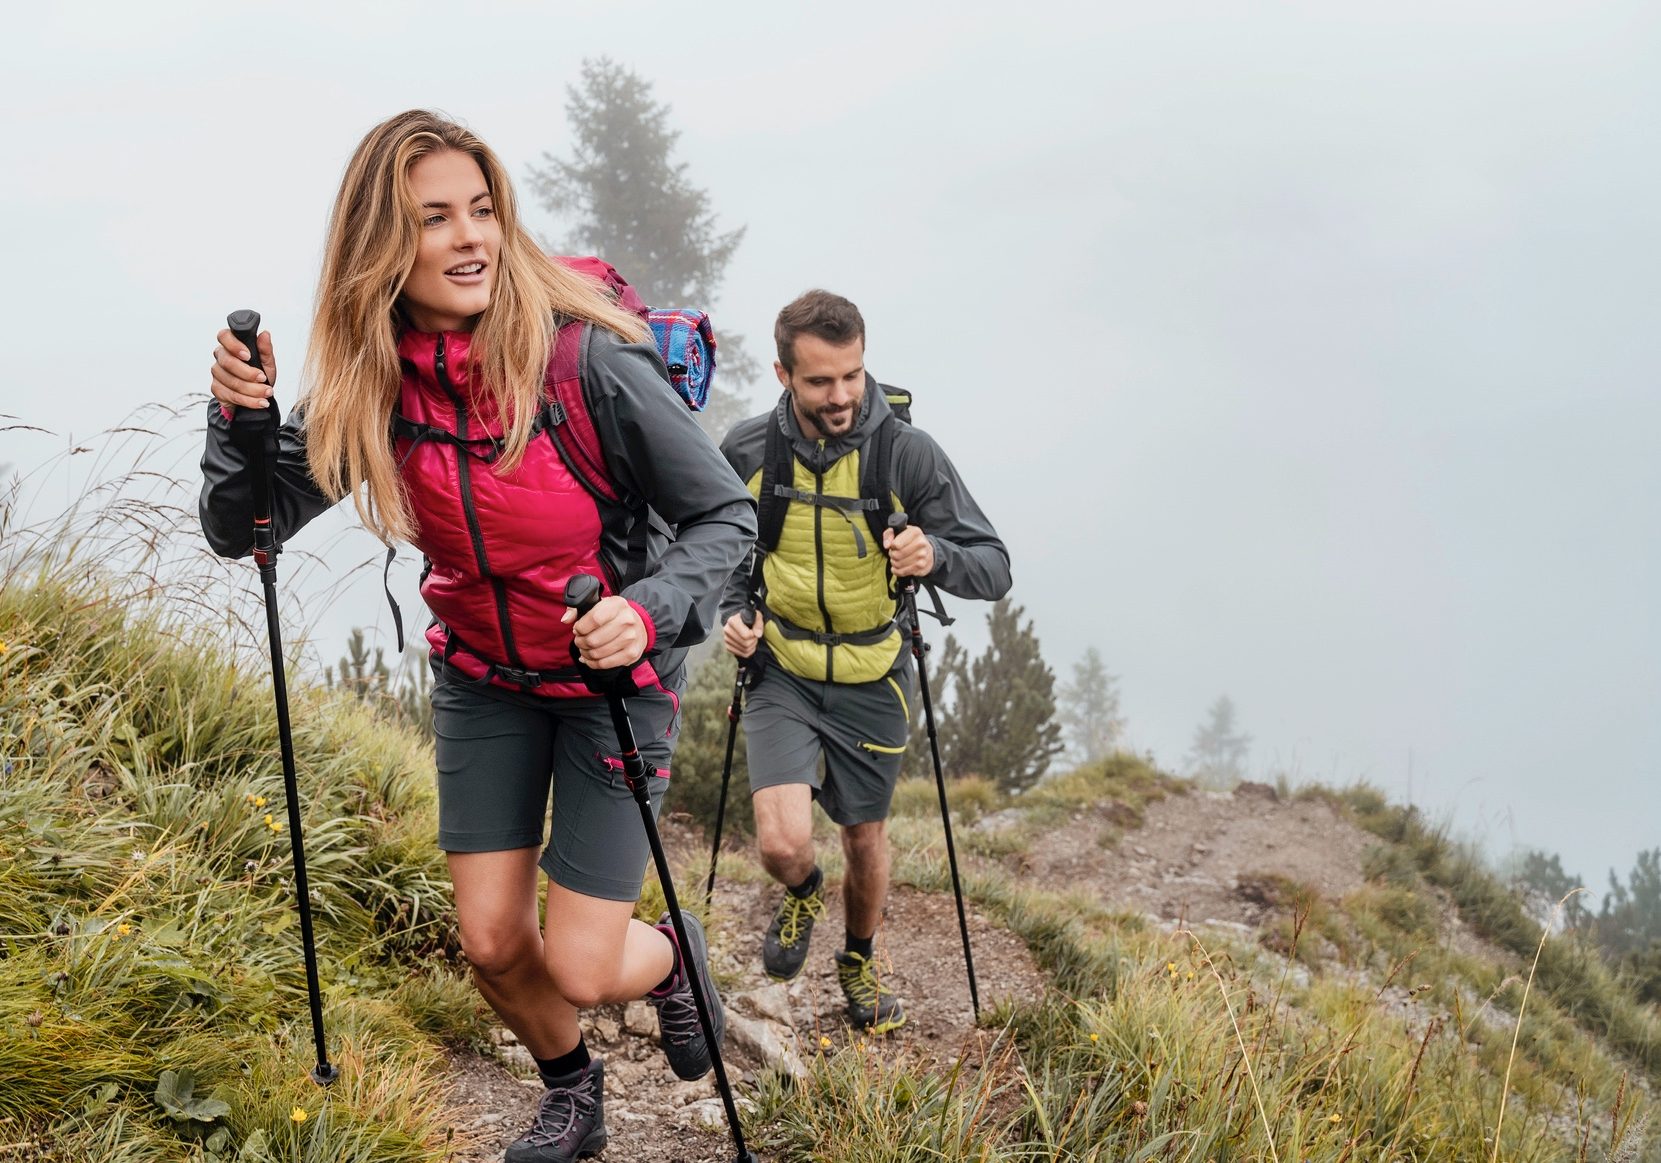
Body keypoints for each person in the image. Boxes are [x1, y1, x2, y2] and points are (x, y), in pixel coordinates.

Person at [200, 110, 755, 1163]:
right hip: (483, 678)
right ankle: (572, 1091)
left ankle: (670, 956)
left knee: (586, 963)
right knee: (495, 942)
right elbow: (249, 527)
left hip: (610, 679)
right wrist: (240, 424)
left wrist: (646, 610)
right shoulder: (376, 379)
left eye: (482, 211)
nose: (470, 239)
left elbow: (725, 513)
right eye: (433, 220)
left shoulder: (584, 363)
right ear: (380, 249)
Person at [718, 290, 1010, 1033]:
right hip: (782, 667)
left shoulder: (905, 453)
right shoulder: (751, 450)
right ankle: (804, 889)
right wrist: (732, 612)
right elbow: (716, 542)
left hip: (874, 675)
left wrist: (933, 553)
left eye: (851, 375)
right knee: (782, 842)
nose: (842, 395)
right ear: (785, 374)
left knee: (863, 836)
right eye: (820, 380)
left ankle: (857, 957)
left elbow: (994, 567)